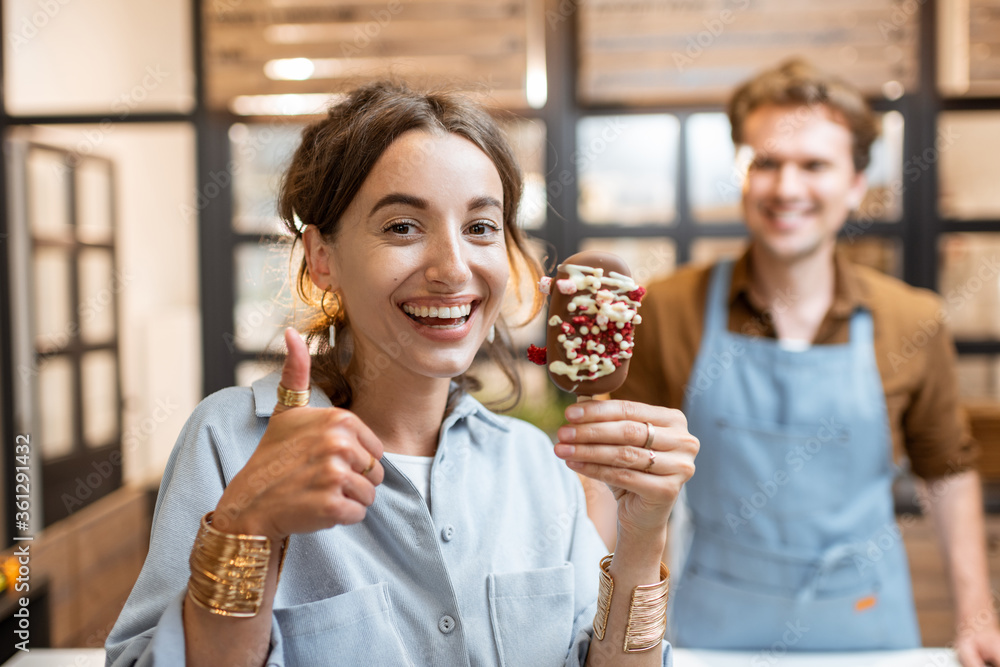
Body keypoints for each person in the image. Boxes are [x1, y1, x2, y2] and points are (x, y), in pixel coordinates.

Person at [105, 81, 698, 667]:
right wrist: (247, 530)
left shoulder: (533, 464)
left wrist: (643, 538)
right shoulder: (229, 441)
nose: (452, 267)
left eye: (481, 227)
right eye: (401, 227)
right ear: (322, 257)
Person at [612, 59, 1000, 663]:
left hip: (866, 625)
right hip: (715, 629)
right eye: (766, 162)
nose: (786, 188)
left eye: (814, 165)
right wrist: (609, 616)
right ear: (741, 171)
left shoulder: (911, 321)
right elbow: (618, 473)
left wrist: (976, 618)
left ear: (854, 182)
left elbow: (947, 471)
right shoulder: (666, 309)